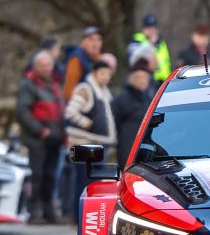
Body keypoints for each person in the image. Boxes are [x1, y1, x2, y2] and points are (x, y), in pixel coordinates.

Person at [15, 51, 65, 224]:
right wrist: (40, 130)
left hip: (55, 137)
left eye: (49, 65)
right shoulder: (28, 85)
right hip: (38, 139)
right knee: (37, 175)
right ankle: (33, 211)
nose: (46, 69)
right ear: (35, 67)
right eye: (43, 66)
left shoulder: (55, 84)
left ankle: (48, 211)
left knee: (50, 176)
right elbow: (22, 112)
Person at [65, 60, 117, 215]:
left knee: (94, 181)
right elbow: (70, 112)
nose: (105, 77)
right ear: (94, 73)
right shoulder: (85, 89)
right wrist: (86, 123)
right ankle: (78, 215)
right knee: (84, 181)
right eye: (102, 73)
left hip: (99, 143)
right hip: (85, 143)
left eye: (108, 74)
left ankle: (88, 214)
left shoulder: (104, 91)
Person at [112, 61, 154, 168]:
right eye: (139, 77)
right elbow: (113, 123)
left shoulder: (148, 97)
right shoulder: (123, 99)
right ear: (131, 79)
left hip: (145, 147)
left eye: (145, 77)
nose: (142, 80)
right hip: (128, 148)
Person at [128, 14, 172, 85]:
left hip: (164, 82)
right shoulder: (137, 40)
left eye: (154, 28)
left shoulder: (161, 43)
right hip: (146, 81)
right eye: (149, 28)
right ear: (143, 29)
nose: (152, 31)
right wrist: (151, 44)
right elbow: (133, 59)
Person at [63, 26, 103, 101]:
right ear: (83, 42)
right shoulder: (76, 59)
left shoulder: (98, 59)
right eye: (91, 39)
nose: (96, 44)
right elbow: (69, 92)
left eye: (99, 40)